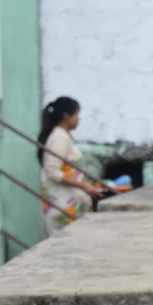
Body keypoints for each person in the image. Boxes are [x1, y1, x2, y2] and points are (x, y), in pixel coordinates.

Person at [38, 97, 102, 237]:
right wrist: (83, 186)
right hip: (63, 206)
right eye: (76, 115)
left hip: (71, 204)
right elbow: (52, 171)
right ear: (66, 116)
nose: (78, 119)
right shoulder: (59, 138)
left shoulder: (63, 136)